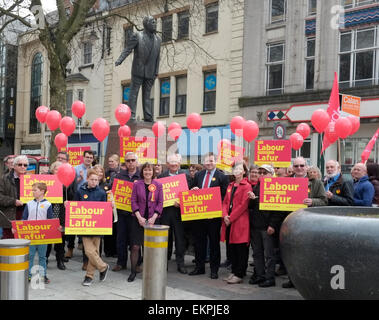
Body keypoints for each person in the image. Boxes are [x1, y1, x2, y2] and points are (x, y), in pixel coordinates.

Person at [189, 152, 229, 279]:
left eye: (211, 161)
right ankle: (199, 267)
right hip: (199, 215)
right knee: (199, 242)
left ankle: (214, 269)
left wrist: (214, 208)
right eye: (207, 161)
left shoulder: (222, 177)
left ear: (215, 161)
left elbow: (225, 197)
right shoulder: (198, 175)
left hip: (213, 217)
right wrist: (193, 190)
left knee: (213, 243)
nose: (209, 163)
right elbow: (191, 189)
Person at [115, 16, 161, 122]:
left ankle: (148, 116)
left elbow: (158, 57)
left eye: (155, 22)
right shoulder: (137, 36)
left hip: (150, 71)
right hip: (138, 70)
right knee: (133, 93)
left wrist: (156, 71)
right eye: (152, 22)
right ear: (146, 24)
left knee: (147, 95)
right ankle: (131, 115)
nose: (155, 24)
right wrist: (120, 60)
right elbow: (128, 49)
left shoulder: (158, 40)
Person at [74, 169, 110, 286]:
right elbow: (74, 206)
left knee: (94, 251)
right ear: (87, 179)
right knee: (89, 251)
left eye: (96, 180)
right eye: (92, 179)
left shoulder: (101, 193)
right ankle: (103, 267)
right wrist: (67, 204)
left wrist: (110, 206)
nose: (94, 182)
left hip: (98, 227)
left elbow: (105, 210)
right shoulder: (80, 191)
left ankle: (89, 276)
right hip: (85, 226)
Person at [248, 164, 281, 288]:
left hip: (267, 226)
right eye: (260, 172)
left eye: (264, 172)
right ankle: (260, 275)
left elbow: (279, 209)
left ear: (271, 174)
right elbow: (252, 207)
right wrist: (251, 199)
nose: (261, 175)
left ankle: (270, 277)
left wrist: (272, 225)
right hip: (256, 225)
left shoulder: (276, 186)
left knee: (269, 255)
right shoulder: (257, 186)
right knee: (257, 253)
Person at [130, 162, 163, 282]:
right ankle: (133, 272)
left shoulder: (158, 185)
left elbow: (160, 203)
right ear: (142, 172)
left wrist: (154, 217)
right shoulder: (137, 184)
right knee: (135, 246)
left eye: (150, 170)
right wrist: (139, 217)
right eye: (145, 170)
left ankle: (150, 274)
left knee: (149, 248)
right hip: (138, 219)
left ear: (153, 172)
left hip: (153, 220)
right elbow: (133, 201)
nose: (147, 172)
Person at [159, 154, 190, 274]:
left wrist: (182, 202)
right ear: (167, 164)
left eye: (176, 162)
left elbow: (189, 195)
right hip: (165, 213)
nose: (173, 165)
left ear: (179, 163)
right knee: (165, 239)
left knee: (180, 239)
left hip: (179, 213)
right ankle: (163, 264)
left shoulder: (185, 177)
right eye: (171, 162)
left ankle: (180, 264)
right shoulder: (161, 177)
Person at [221, 161, 251, 284]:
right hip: (229, 221)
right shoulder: (230, 185)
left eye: (239, 169)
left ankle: (239, 273)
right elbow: (225, 202)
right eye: (235, 169)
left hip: (240, 222)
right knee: (231, 248)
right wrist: (225, 215)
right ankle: (234, 271)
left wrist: (230, 217)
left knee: (240, 249)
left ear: (244, 171)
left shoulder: (247, 186)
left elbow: (243, 205)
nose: (237, 171)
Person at [20, 182, 56, 284]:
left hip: (42, 236)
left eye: (35, 190)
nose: (33, 192)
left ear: (42, 191)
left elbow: (50, 220)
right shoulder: (29, 204)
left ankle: (43, 275)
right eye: (32, 190)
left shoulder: (48, 204)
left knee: (42, 256)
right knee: (29, 256)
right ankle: (29, 275)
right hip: (30, 236)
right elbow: (24, 219)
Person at [112, 152, 141, 272]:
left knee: (136, 240)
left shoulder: (141, 176)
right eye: (128, 161)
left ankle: (137, 263)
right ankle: (121, 262)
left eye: (132, 160)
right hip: (122, 213)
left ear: (136, 162)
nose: (130, 163)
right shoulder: (119, 176)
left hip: (136, 214)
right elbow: (112, 192)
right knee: (121, 238)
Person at [46, 161, 74, 270]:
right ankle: (46, 259)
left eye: (61, 170)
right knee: (48, 239)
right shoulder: (46, 181)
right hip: (49, 213)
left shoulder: (66, 182)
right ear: (52, 170)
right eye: (57, 169)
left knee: (60, 239)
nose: (59, 172)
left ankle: (60, 260)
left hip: (61, 213)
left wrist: (64, 187)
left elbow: (71, 196)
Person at [0, 155, 28, 239]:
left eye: (25, 165)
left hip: (26, 215)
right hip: (10, 215)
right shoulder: (4, 179)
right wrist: (14, 201)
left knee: (23, 241)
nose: (23, 167)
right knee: (9, 241)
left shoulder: (31, 179)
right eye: (20, 165)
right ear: (14, 166)